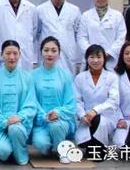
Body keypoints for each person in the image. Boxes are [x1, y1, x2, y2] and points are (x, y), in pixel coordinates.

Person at [0, 40, 37, 166]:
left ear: (20, 54)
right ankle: (9, 148)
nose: (12, 57)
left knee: (15, 129)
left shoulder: (27, 77)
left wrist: (19, 117)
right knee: (3, 152)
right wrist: (4, 122)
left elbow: (30, 104)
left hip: (20, 125)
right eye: (8, 53)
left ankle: (20, 153)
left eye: (15, 53)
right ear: (1, 55)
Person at [31, 36, 77, 164]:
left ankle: (62, 151)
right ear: (41, 52)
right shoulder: (32, 75)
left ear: (59, 53)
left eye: (53, 50)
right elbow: (32, 101)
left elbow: (70, 103)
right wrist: (44, 116)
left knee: (56, 126)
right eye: (46, 50)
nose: (49, 54)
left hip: (61, 120)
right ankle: (50, 145)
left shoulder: (65, 75)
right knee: (41, 144)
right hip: (41, 121)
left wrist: (58, 112)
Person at [73, 44, 119, 160]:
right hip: (86, 118)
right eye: (92, 57)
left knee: (98, 120)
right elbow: (77, 100)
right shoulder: (80, 78)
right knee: (82, 142)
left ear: (104, 59)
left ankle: (100, 146)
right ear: (86, 59)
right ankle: (92, 143)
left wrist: (95, 110)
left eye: (99, 57)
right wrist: (82, 115)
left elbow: (113, 101)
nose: (95, 60)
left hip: (106, 117)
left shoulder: (112, 77)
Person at [0, 0, 38, 71]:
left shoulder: (31, 7)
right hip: (6, 53)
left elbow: (34, 30)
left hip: (25, 53)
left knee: (25, 78)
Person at [37, 0, 82, 75]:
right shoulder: (40, 10)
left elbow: (78, 33)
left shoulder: (74, 10)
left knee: (68, 79)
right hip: (48, 54)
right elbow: (37, 32)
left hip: (68, 54)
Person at [77, 0, 126, 70]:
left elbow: (121, 37)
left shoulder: (117, 16)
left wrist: (109, 53)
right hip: (91, 60)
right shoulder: (86, 15)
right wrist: (92, 54)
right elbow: (81, 37)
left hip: (111, 61)